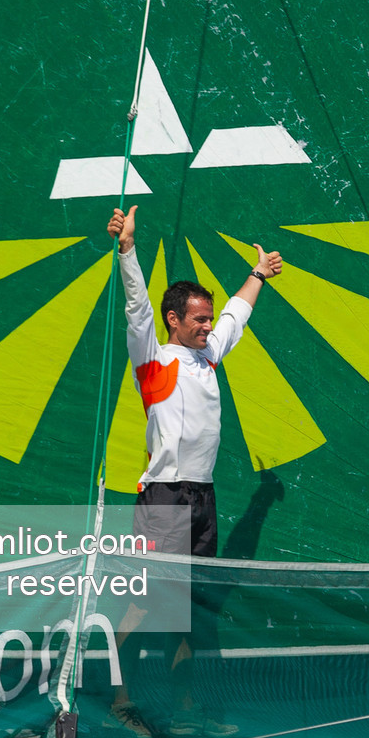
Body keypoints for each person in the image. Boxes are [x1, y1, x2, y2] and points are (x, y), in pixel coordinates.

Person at [105, 204, 282, 556]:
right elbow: (138, 309)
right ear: (173, 318)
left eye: (209, 319)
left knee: (191, 591)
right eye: (200, 319)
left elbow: (236, 314)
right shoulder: (152, 360)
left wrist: (258, 274)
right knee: (149, 599)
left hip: (204, 493)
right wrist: (127, 250)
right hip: (165, 495)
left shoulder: (209, 354)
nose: (209, 326)